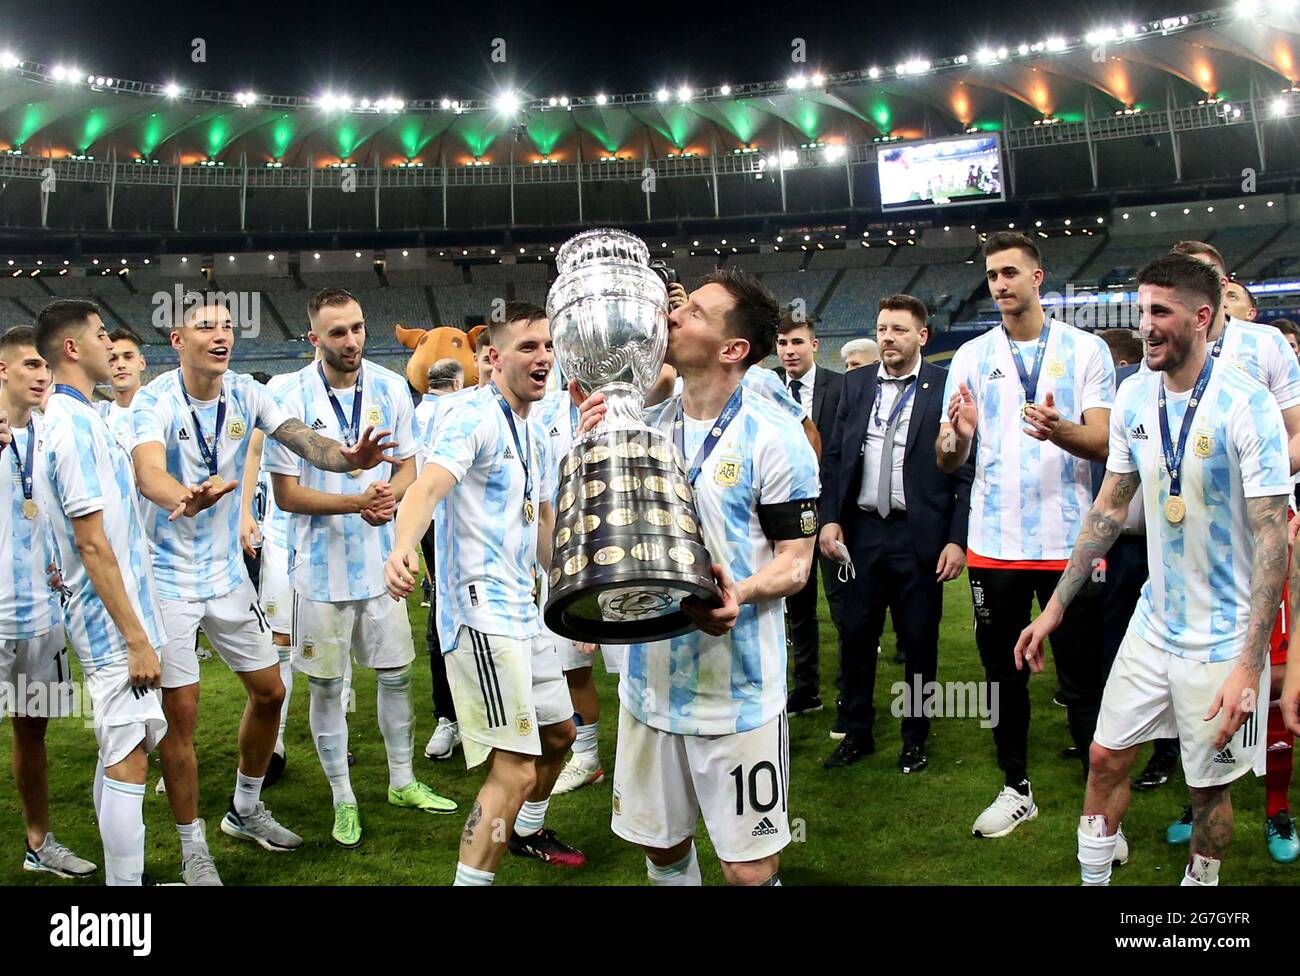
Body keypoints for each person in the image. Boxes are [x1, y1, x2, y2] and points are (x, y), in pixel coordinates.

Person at [1017, 253, 1289, 886]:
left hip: (1221, 637)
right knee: (1106, 756)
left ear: (1202, 315)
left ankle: (1199, 893)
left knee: (1205, 791)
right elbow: (1110, 507)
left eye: (1160, 312)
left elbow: (1274, 536)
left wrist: (1250, 665)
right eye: (1141, 312)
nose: (1146, 326)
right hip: (1154, 622)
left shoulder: (1247, 404)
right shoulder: (1135, 393)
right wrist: (1055, 607)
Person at [131, 300, 393, 883]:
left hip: (225, 576)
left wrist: (345, 457)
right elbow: (147, 470)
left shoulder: (246, 392)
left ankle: (245, 808)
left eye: (227, 326)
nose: (221, 336)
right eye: (206, 328)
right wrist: (182, 494)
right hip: (168, 578)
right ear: (178, 340)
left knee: (270, 691)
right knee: (183, 715)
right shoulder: (156, 399)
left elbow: (298, 436)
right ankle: (191, 846)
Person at [577, 268, 820, 886]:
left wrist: (740, 590)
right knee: (661, 848)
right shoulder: (643, 429)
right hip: (649, 684)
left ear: (732, 348)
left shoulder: (775, 438)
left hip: (736, 690)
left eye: (695, 314)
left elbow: (796, 562)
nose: (673, 316)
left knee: (747, 869)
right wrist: (591, 450)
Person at [386, 301, 585, 885]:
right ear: (492, 359)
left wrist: (572, 595)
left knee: (560, 735)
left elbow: (544, 520)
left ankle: (526, 831)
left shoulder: (535, 427)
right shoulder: (469, 416)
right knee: (516, 769)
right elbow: (426, 489)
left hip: (523, 609)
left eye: (548, 346)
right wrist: (401, 548)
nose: (543, 357)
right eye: (529, 347)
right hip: (479, 615)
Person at [937, 231, 1115, 838]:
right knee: (1001, 677)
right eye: (991, 275)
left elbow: (1105, 442)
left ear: (1039, 278)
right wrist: (957, 436)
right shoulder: (969, 356)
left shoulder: (1086, 349)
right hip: (994, 547)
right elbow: (948, 457)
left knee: (1084, 680)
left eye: (1010, 272)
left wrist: (1060, 430)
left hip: (1071, 546)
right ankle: (1015, 788)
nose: (1000, 284)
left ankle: (1099, 807)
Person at [266, 288, 457, 847]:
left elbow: (409, 468)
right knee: (326, 687)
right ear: (314, 339)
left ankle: (402, 779)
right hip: (318, 572)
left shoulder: (392, 386)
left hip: (379, 563)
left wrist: (388, 499)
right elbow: (286, 494)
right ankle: (342, 796)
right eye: (337, 333)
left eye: (356, 328)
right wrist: (359, 502)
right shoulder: (286, 394)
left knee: (396, 674)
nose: (351, 342)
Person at [1169, 240, 1300, 862]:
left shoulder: (1265, 344)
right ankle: (1196, 801)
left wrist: (1246, 469)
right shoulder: (1164, 351)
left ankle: (1277, 810)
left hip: (1262, 529)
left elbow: (1298, 435)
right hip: (1189, 541)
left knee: (1269, 675)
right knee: (1192, 673)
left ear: (1224, 285)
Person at [31, 300, 168, 886]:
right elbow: (90, 543)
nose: (108, 348)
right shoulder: (69, 425)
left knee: (125, 744)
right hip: (110, 621)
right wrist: (136, 638)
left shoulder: (82, 417)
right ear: (71, 349)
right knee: (129, 758)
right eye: (98, 337)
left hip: (119, 609)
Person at [818, 295, 972, 773]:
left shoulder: (944, 387)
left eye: (899, 330)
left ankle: (915, 737)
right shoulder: (856, 384)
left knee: (920, 642)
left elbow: (964, 471)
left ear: (921, 336)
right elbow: (838, 458)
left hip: (918, 536)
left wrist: (955, 539)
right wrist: (829, 518)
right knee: (856, 638)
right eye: (882, 328)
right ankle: (857, 731)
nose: (888, 337)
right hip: (862, 534)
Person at [0, 325, 96, 879]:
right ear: (5, 372)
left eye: (46, 366)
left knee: (31, 728)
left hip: (40, 612)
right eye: (32, 366)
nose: (43, 375)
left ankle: (39, 841)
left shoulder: (52, 433)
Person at [774, 314, 845, 716]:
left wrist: (835, 512)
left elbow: (844, 453)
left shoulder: (839, 385)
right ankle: (806, 690)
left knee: (840, 604)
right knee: (797, 606)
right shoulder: (767, 387)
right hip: (787, 513)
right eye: (782, 343)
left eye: (797, 342)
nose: (789, 351)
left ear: (814, 345)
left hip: (831, 509)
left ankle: (848, 685)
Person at [100, 328, 146, 451]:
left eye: (128, 357)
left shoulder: (163, 409)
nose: (120, 365)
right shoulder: (100, 417)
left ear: (142, 363)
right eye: (112, 359)